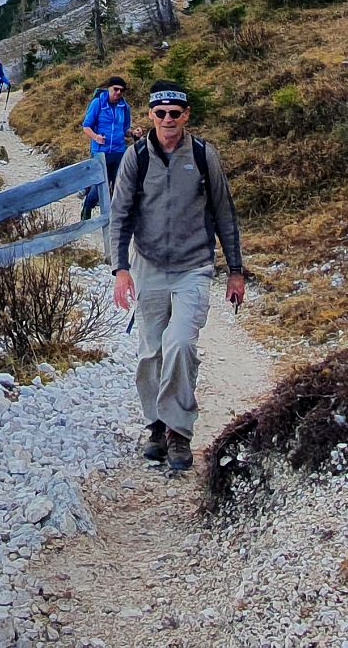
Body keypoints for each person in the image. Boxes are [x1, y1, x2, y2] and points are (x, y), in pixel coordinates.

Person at [106, 85, 245, 476]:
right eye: (161, 113)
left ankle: (179, 431)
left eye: (175, 113)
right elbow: (120, 215)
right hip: (148, 265)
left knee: (180, 343)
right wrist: (121, 268)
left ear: (187, 115)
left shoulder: (202, 155)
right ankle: (156, 426)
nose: (168, 120)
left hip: (194, 266)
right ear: (150, 116)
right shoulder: (137, 157)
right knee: (151, 352)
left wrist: (235, 270)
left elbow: (224, 212)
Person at [77, 76, 131, 220]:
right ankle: (87, 208)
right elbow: (86, 126)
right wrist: (96, 137)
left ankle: (116, 216)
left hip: (119, 151)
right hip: (101, 152)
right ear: (109, 88)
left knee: (120, 183)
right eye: (116, 89)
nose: (118, 93)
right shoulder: (98, 103)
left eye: (121, 90)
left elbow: (125, 129)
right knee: (100, 184)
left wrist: (133, 133)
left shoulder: (124, 107)